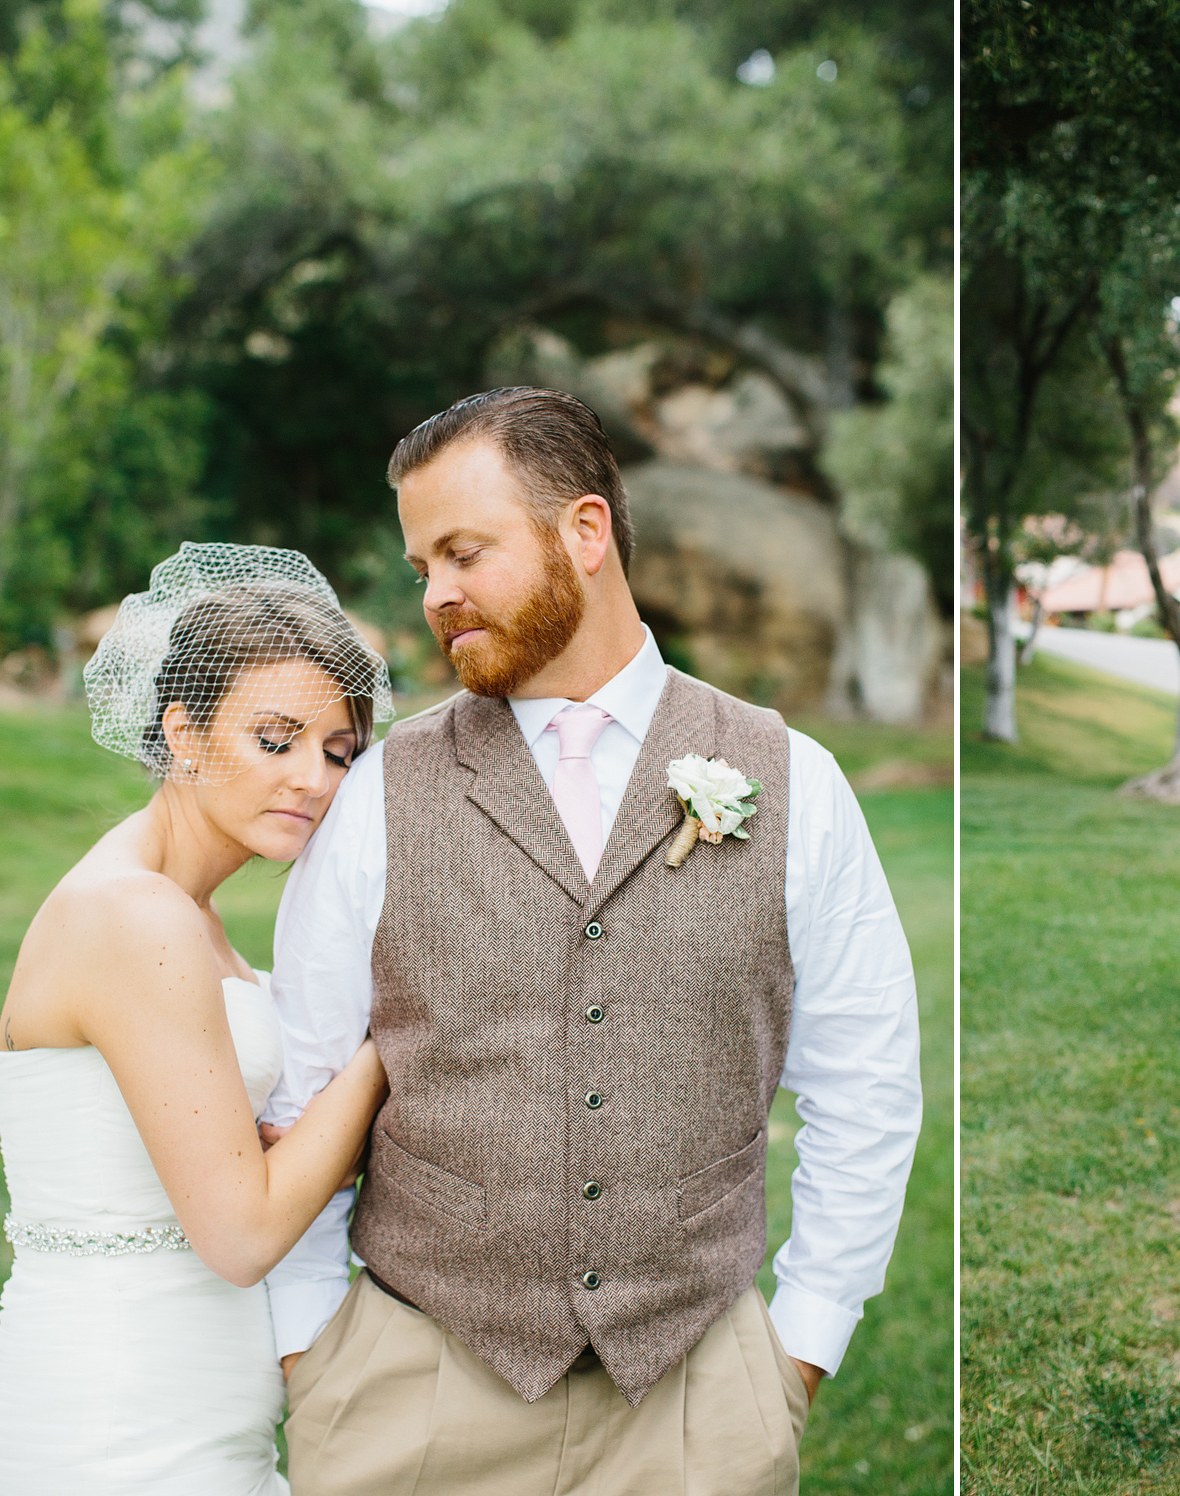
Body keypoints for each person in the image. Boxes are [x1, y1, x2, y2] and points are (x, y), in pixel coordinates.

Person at [264, 386, 922, 1495]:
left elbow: (865, 1084)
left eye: (463, 551)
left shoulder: (793, 777)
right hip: (411, 1398)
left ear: (585, 531)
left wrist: (796, 1349)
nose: (438, 594)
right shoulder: (381, 794)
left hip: (695, 1404)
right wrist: (313, 1353)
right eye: (422, 564)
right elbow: (303, 1083)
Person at [0, 544, 394, 1495]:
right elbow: (242, 1234)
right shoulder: (137, 916)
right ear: (185, 734)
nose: (316, 781)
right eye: (275, 739)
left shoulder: (188, 916)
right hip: (118, 1419)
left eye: (339, 752)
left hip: (196, 1408)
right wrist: (386, 1051)